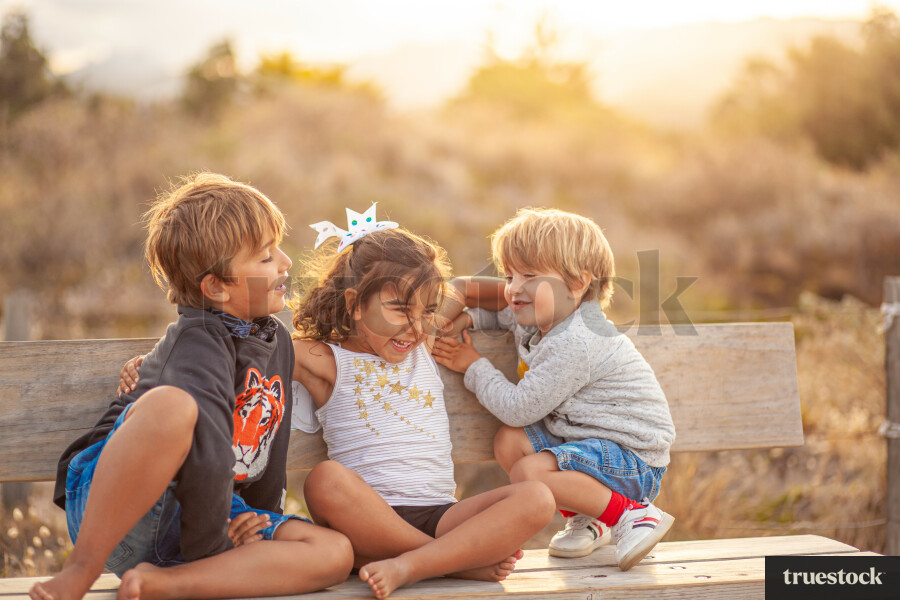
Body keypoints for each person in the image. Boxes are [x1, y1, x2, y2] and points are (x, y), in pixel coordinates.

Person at [31, 174, 353, 600]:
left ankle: (166, 584)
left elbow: (267, 448)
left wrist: (258, 519)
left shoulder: (274, 340)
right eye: (264, 258)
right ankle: (79, 572)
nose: (285, 263)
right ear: (216, 287)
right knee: (172, 407)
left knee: (335, 553)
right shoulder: (197, 339)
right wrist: (215, 547)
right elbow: (210, 443)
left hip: (207, 513)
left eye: (277, 248)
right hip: (123, 515)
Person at [291, 206, 556, 599]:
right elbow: (258, 348)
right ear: (355, 303)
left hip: (443, 516)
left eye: (428, 310)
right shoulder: (324, 360)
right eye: (399, 308)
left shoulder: (422, 345)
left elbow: (464, 289)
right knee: (323, 480)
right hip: (366, 518)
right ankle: (448, 563)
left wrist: (543, 297)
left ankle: (417, 561)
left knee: (537, 497)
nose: (415, 325)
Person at [432, 207, 676, 572]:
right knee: (510, 442)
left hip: (632, 460)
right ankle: (591, 516)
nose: (513, 288)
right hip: (590, 446)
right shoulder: (542, 318)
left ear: (577, 284)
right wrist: (467, 318)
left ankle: (633, 514)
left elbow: (519, 409)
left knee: (529, 474)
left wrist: (473, 365)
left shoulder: (576, 340)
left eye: (529, 275)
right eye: (509, 274)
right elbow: (499, 314)